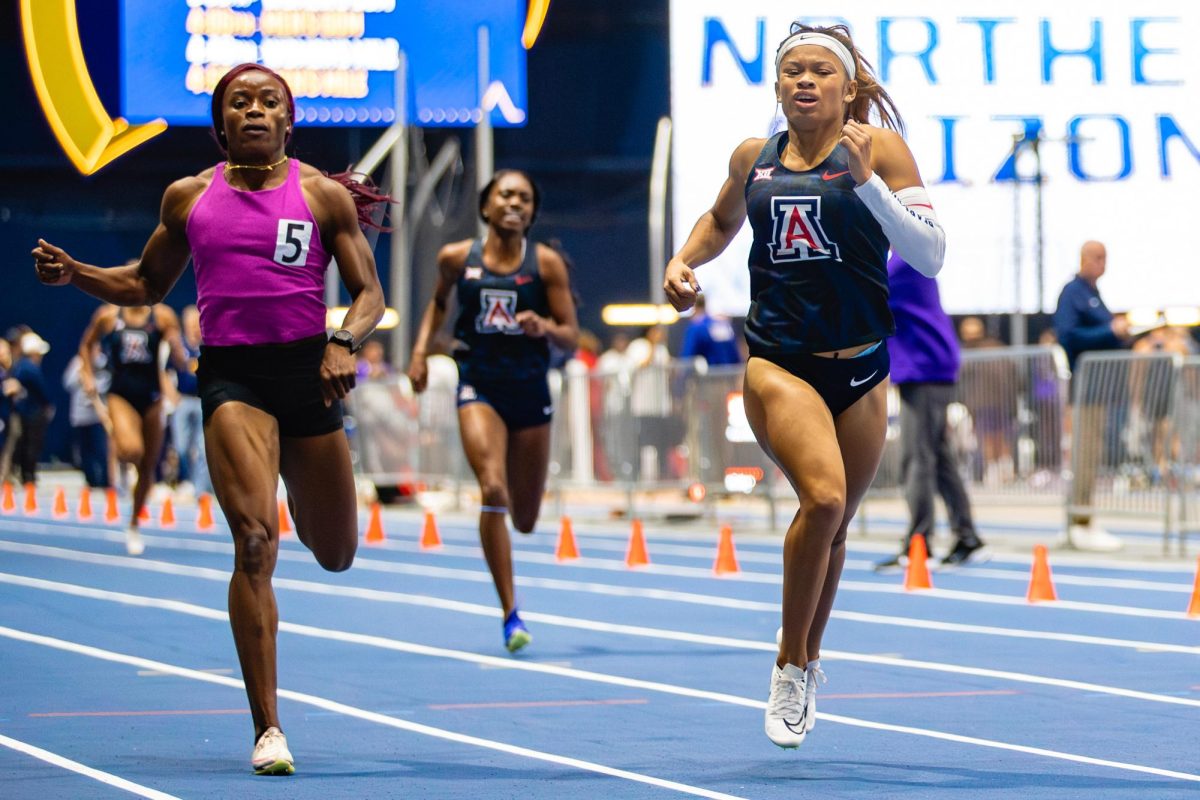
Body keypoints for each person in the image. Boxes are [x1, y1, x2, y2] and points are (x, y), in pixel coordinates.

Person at [33, 62, 386, 775]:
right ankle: (268, 729)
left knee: (337, 552)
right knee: (254, 543)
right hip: (234, 379)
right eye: (239, 103)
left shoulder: (320, 196)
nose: (255, 111)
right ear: (221, 123)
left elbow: (368, 293)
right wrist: (78, 274)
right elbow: (143, 282)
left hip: (308, 376)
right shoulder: (188, 198)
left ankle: (291, 479)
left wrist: (344, 341)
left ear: (288, 119)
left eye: (269, 102)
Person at [663, 22, 945, 748]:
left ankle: (810, 660)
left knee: (838, 524)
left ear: (849, 88)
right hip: (780, 361)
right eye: (793, 71)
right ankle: (789, 666)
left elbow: (930, 254)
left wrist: (869, 184)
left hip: (861, 363)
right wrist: (683, 262)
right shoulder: (751, 158)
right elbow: (721, 221)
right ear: (779, 85)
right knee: (821, 498)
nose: (805, 81)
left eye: (821, 70)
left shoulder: (879, 151)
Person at [407, 169, 578, 654]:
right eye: (505, 194)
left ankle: (512, 583)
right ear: (486, 206)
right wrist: (420, 353)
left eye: (524, 198)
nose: (514, 203)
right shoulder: (457, 258)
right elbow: (437, 307)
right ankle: (510, 612)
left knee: (524, 517)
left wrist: (542, 325)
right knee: (493, 487)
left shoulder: (545, 265)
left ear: (532, 213)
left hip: (529, 391)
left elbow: (570, 332)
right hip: (479, 385)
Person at [874, 254, 986, 571]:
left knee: (917, 457)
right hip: (929, 366)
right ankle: (967, 536)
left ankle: (918, 543)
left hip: (924, 369)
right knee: (939, 457)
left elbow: (862, 291)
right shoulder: (911, 260)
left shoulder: (902, 264)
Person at [78, 303, 184, 555]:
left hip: (152, 397)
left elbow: (178, 359)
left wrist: (177, 346)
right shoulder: (108, 316)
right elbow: (87, 344)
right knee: (131, 450)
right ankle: (122, 450)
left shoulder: (162, 315)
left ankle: (134, 522)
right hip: (121, 394)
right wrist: (88, 374)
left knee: (148, 466)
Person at [1052, 240, 1132, 551]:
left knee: (1091, 454)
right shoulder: (1074, 292)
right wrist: (1111, 332)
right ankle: (1081, 522)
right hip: (1085, 389)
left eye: (1105, 258)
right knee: (1084, 455)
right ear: (1084, 258)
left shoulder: (1094, 294)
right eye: (1097, 257)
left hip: (1100, 389)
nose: (1102, 263)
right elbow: (1067, 335)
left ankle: (1082, 519)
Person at [170, 305, 210, 498]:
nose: (194, 327)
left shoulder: (208, 344)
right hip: (183, 401)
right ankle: (186, 479)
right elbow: (163, 372)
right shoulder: (177, 345)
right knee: (181, 446)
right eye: (190, 324)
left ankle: (199, 490)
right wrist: (171, 395)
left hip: (203, 400)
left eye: (197, 323)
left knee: (203, 448)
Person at [62, 340, 112, 490]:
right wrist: (80, 374)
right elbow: (67, 383)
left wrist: (91, 384)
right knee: (84, 451)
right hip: (79, 416)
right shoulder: (77, 363)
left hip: (97, 416)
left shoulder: (104, 363)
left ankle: (105, 481)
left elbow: (106, 384)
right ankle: (91, 480)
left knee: (101, 450)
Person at [11, 332, 55, 486]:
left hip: (25, 411)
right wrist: (47, 405)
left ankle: (25, 474)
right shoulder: (29, 368)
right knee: (31, 445)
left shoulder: (20, 365)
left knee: (25, 444)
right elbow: (42, 391)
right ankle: (28, 476)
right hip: (32, 413)